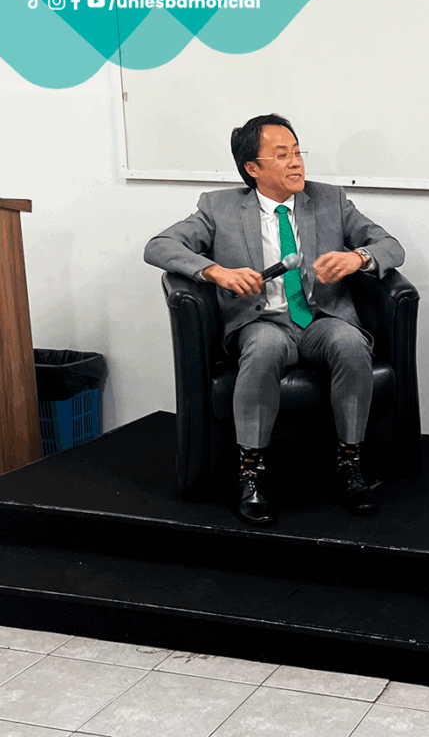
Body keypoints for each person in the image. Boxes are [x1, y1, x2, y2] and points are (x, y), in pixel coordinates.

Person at [144, 114, 404, 527]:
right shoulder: (218, 208)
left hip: (320, 318)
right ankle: (251, 471)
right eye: (282, 155)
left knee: (351, 343)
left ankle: (349, 463)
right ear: (253, 167)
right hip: (261, 320)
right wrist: (216, 272)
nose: (296, 162)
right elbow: (159, 246)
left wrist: (358, 258)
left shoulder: (332, 200)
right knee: (263, 347)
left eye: (298, 152)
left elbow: (390, 246)